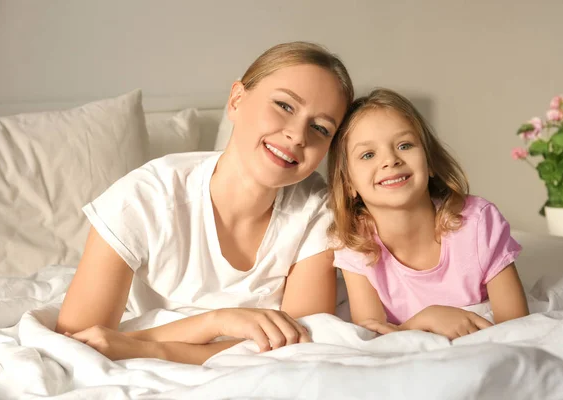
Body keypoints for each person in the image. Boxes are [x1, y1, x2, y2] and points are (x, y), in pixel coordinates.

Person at [56, 41, 354, 364]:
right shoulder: (145, 198)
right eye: (284, 106)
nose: (298, 136)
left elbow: (298, 347)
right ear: (237, 100)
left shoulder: (316, 210)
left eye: (320, 128)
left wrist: (146, 348)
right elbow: (79, 343)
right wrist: (218, 321)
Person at [327, 88, 529, 340]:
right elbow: (372, 337)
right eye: (368, 154)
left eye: (405, 145)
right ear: (349, 184)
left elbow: (517, 325)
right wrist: (427, 319)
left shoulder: (478, 222)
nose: (390, 160)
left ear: (430, 162)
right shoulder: (355, 243)